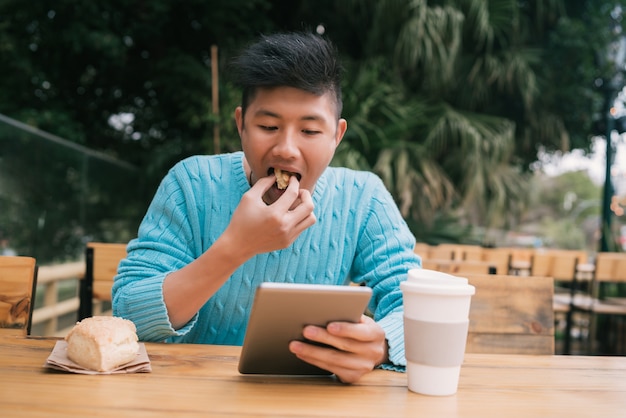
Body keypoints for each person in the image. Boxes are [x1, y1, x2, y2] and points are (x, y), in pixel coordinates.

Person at [112, 32, 421, 383]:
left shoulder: (364, 197)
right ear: (241, 124)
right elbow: (129, 316)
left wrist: (381, 346)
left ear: (337, 135)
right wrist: (236, 247)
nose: (287, 149)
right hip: (192, 391)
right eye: (269, 126)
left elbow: (415, 305)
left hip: (310, 397)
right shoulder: (191, 184)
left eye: (309, 130)